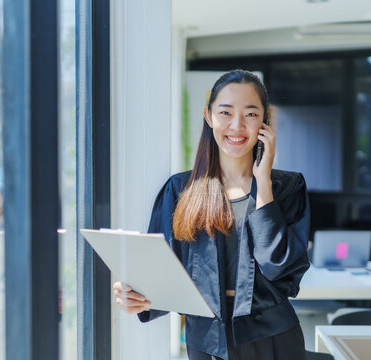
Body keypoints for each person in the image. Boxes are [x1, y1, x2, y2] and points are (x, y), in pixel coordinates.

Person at [113, 69, 310, 360]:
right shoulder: (181, 189)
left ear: (264, 122)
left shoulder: (288, 187)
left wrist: (263, 183)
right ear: (209, 117)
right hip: (206, 341)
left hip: (273, 339)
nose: (237, 125)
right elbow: (162, 270)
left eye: (251, 114)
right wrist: (134, 295)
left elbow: (281, 270)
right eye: (226, 112)